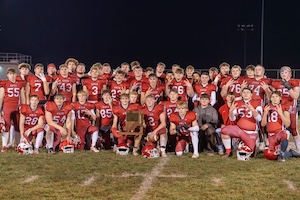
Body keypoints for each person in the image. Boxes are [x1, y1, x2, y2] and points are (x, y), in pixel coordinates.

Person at [221, 87, 262, 160]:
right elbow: (232, 118)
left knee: (247, 154)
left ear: (251, 94)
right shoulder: (238, 103)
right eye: (244, 92)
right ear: (241, 94)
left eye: (248, 92)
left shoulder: (257, 103)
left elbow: (259, 118)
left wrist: (252, 109)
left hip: (251, 132)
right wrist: (231, 111)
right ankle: (228, 152)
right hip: (239, 130)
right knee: (224, 130)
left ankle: (252, 146)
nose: (246, 94)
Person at [270, 66, 300, 153]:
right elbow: (272, 94)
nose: (283, 74)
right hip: (279, 108)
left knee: (293, 129)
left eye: (286, 72)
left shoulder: (294, 82)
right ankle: (277, 147)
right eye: (282, 72)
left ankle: (299, 149)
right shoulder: (276, 83)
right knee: (277, 128)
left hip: (290, 108)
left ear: (290, 73)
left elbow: (295, 96)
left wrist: (288, 87)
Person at [261, 91, 292, 161]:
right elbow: (263, 124)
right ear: (270, 98)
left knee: (284, 134)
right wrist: (265, 113)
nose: (275, 99)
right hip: (271, 135)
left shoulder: (284, 107)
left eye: (276, 97)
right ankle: (289, 153)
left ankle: (282, 153)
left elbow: (288, 124)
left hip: (280, 132)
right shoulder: (267, 107)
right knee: (269, 155)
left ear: (280, 98)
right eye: (273, 97)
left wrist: (281, 113)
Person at [0, 68, 26, 151]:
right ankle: (4, 145)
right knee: (6, 126)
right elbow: (1, 98)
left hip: (17, 107)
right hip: (7, 107)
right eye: (10, 74)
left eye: (13, 74)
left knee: (18, 126)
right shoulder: (4, 84)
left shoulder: (20, 84)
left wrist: (24, 107)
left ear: (16, 74)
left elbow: (23, 97)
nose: (12, 76)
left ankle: (18, 144)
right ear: (7, 75)